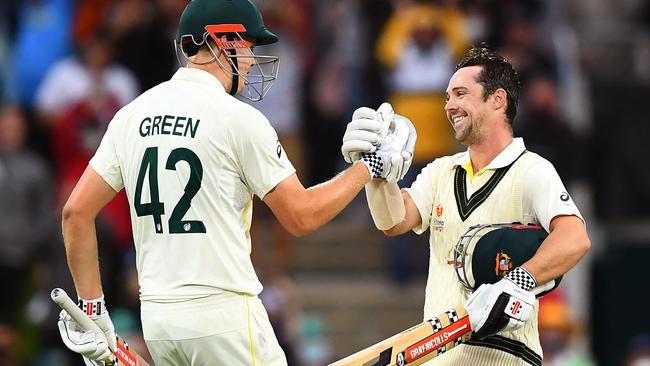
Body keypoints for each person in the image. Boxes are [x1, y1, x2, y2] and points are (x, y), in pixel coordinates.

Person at [55, 0, 415, 365]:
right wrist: (369, 166)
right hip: (223, 316)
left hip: (159, 321)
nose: (251, 60)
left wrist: (93, 310)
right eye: (248, 46)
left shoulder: (130, 115)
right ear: (222, 40)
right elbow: (301, 216)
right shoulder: (238, 118)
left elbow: (75, 213)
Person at [350, 46, 590, 365]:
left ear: (497, 99)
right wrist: (375, 172)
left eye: (461, 94)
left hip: (504, 355)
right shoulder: (441, 171)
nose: (450, 105)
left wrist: (519, 279)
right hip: (436, 354)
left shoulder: (532, 168)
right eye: (448, 96)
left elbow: (575, 238)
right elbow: (394, 221)